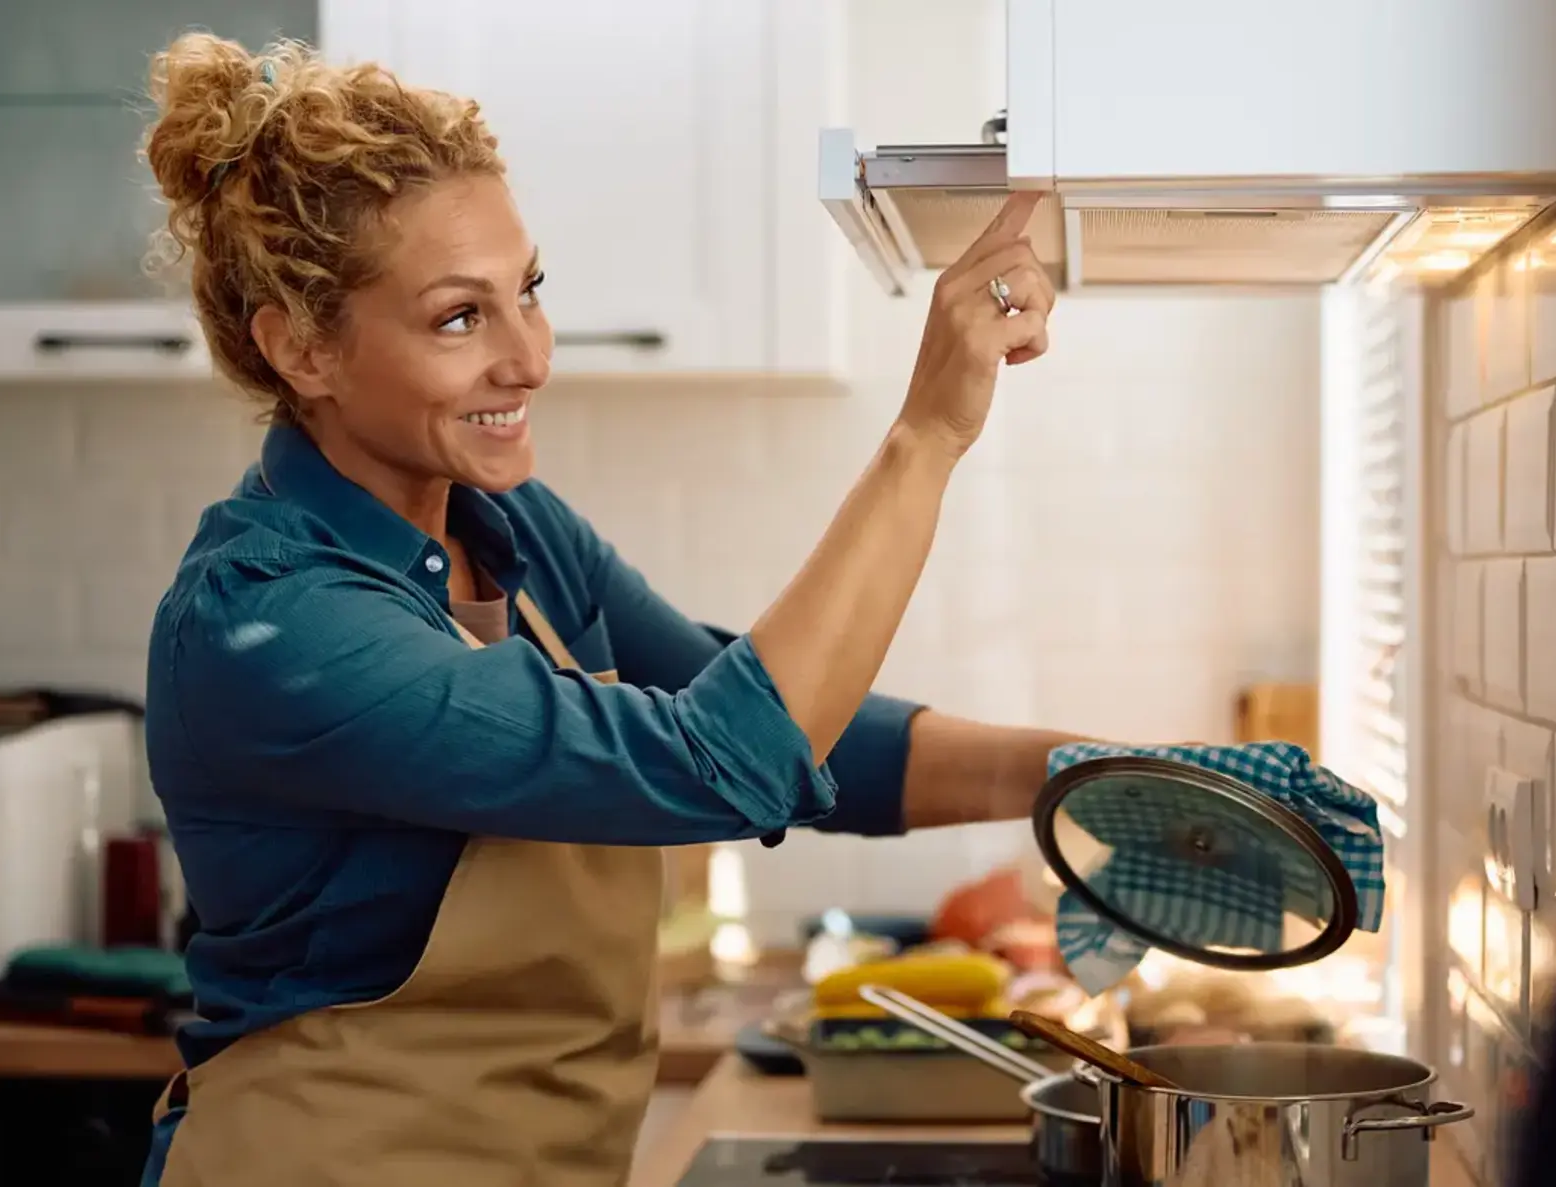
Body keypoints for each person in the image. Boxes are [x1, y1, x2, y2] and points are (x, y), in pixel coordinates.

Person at [137, 31, 1118, 1187]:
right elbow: (725, 759)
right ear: (302, 347)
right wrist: (927, 434)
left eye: (528, 292)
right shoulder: (271, 621)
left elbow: (797, 728)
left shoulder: (514, 531)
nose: (527, 357)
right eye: (459, 317)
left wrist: (1103, 777)